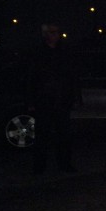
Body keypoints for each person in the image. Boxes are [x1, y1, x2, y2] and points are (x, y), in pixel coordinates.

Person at [25, 22, 78, 174]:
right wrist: (31, 100)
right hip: (44, 99)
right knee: (42, 135)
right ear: (45, 34)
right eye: (52, 32)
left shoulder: (64, 51)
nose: (56, 35)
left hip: (61, 99)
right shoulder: (38, 52)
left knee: (64, 135)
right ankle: (39, 166)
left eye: (57, 32)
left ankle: (64, 164)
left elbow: (71, 75)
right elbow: (31, 77)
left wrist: (73, 96)